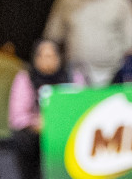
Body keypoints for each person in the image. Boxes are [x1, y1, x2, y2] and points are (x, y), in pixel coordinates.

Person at [9, 39, 80, 179]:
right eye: (43, 56)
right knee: (24, 139)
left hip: (68, 133)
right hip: (37, 137)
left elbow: (82, 104)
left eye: (52, 56)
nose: (48, 60)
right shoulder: (26, 78)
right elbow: (17, 117)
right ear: (35, 58)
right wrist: (39, 122)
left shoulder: (72, 77)